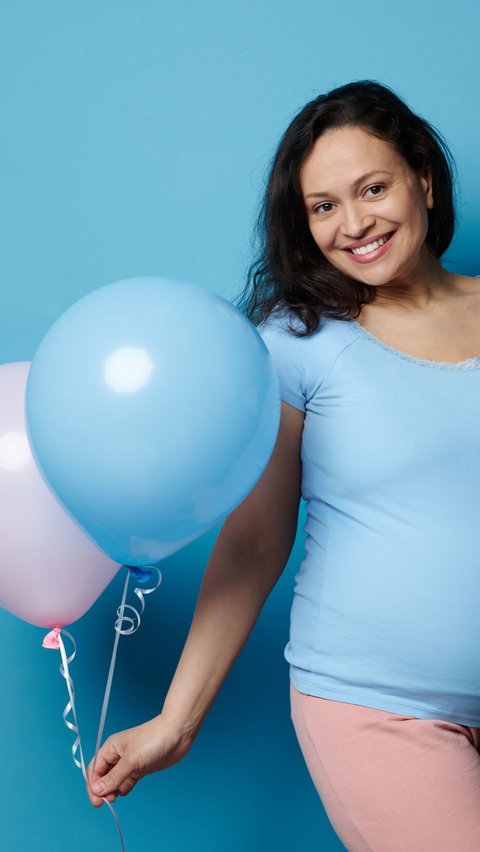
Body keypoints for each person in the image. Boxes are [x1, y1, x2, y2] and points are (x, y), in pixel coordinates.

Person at [87, 80, 480, 850]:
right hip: (379, 707)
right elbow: (254, 543)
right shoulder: (297, 343)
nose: (355, 223)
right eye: (324, 206)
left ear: (423, 180)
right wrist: (177, 720)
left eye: (373, 188)